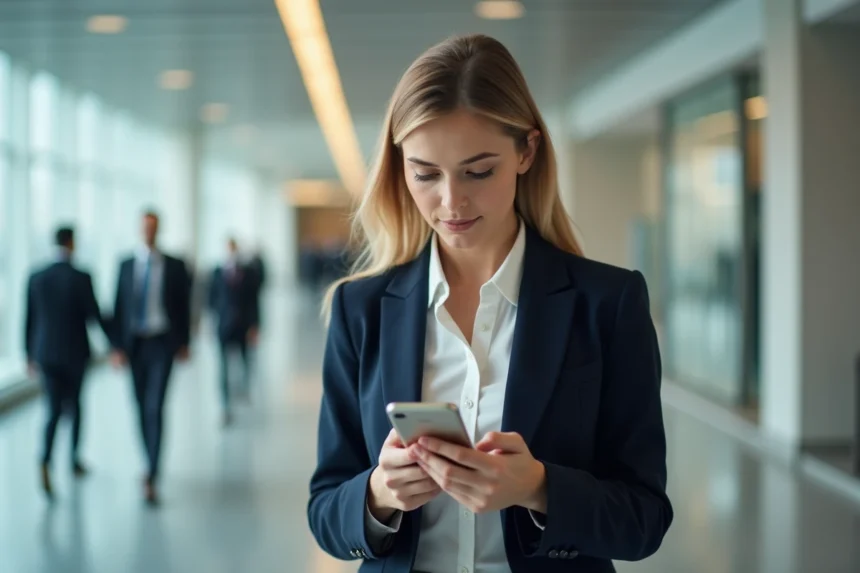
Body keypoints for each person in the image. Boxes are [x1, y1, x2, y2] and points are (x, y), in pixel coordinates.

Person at [307, 34, 672, 573]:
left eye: (479, 171)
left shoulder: (608, 305)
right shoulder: (359, 311)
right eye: (425, 173)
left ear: (527, 151)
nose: (451, 201)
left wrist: (541, 488)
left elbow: (643, 521)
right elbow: (324, 511)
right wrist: (378, 494)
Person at [110, 210, 191, 505]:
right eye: (145, 226)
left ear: (159, 229)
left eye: (153, 227)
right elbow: (118, 306)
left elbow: (183, 306)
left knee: (155, 406)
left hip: (162, 343)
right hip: (134, 346)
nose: (149, 232)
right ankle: (148, 460)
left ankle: (152, 472)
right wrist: (116, 347)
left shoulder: (174, 265)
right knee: (140, 406)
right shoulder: (125, 265)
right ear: (139, 229)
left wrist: (185, 343)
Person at [25, 226, 109, 498]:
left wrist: (28, 354)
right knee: (76, 406)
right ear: (71, 243)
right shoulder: (80, 277)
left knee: (52, 409)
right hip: (75, 354)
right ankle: (73, 460)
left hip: (46, 354)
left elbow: (29, 320)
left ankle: (46, 458)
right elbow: (94, 315)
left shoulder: (37, 277)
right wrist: (117, 343)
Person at [208, 238, 259, 426]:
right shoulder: (216, 272)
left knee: (245, 359)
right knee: (222, 367)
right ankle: (225, 405)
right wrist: (210, 322)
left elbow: (254, 301)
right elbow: (211, 299)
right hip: (223, 326)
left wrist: (255, 325)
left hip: (243, 325)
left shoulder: (248, 272)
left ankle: (244, 387)